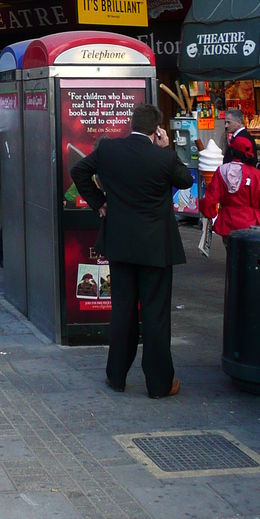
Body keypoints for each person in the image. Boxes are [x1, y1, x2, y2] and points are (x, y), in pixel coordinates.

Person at [71, 102, 192, 398]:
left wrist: (99, 201)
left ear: (131, 124)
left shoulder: (110, 150)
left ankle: (117, 376)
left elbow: (78, 171)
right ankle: (159, 384)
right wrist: (166, 148)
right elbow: (186, 180)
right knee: (156, 314)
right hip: (156, 248)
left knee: (123, 311)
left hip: (120, 244)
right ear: (156, 130)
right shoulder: (162, 157)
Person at [199, 134, 260, 240]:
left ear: (232, 152)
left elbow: (209, 199)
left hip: (226, 223)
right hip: (251, 223)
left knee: (230, 254)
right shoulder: (255, 174)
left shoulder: (221, 171)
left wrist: (210, 214)